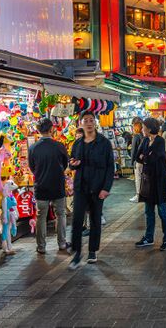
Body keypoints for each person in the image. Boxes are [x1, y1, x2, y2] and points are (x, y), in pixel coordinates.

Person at [68, 112, 115, 269]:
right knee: (77, 219)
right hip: (81, 187)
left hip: (97, 187)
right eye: (85, 121)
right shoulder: (78, 144)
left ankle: (93, 250)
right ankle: (76, 253)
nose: (88, 123)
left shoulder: (104, 143)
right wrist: (73, 164)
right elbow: (71, 162)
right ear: (81, 124)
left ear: (95, 123)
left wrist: (106, 188)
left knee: (95, 220)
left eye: (91, 120)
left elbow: (110, 166)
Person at [28, 118, 69, 254]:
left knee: (41, 216)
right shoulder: (59, 146)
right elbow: (65, 164)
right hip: (57, 185)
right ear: (51, 129)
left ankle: (41, 247)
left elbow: (32, 167)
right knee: (61, 214)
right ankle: (62, 243)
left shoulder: (33, 148)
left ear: (38, 130)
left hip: (41, 186)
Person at [135, 118, 166, 251]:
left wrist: (145, 157)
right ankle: (149, 237)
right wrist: (146, 156)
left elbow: (152, 158)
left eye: (144, 127)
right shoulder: (145, 140)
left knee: (162, 211)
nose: (142, 129)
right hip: (147, 181)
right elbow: (136, 155)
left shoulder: (160, 141)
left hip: (159, 181)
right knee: (148, 211)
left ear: (149, 129)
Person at [130, 118, 144, 202]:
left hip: (138, 161)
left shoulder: (136, 136)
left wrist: (132, 162)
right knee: (143, 179)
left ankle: (139, 195)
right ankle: (143, 195)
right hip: (143, 161)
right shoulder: (143, 135)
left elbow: (133, 150)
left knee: (138, 179)